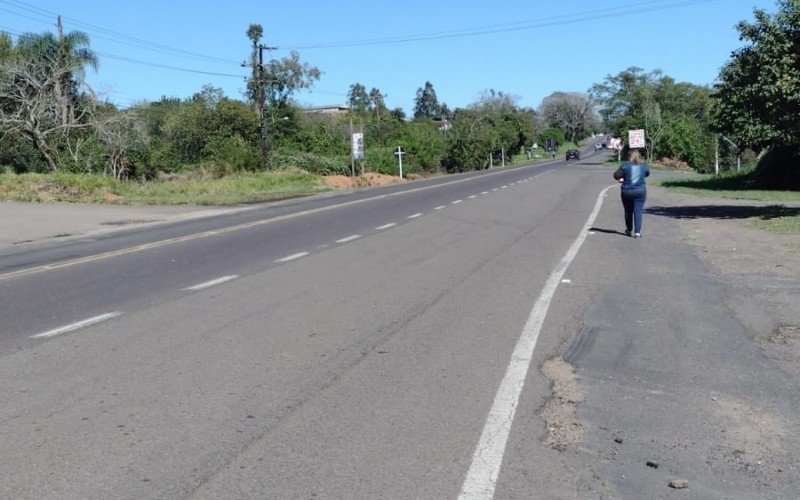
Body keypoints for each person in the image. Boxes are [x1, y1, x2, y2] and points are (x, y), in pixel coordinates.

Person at [613, 149, 650, 237]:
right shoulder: (644, 165)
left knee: (628, 211)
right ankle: (637, 232)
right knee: (638, 211)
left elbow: (616, 175)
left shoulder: (625, 165)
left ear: (629, 156)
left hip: (627, 191)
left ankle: (629, 230)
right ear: (639, 156)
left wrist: (624, 177)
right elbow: (647, 174)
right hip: (640, 191)